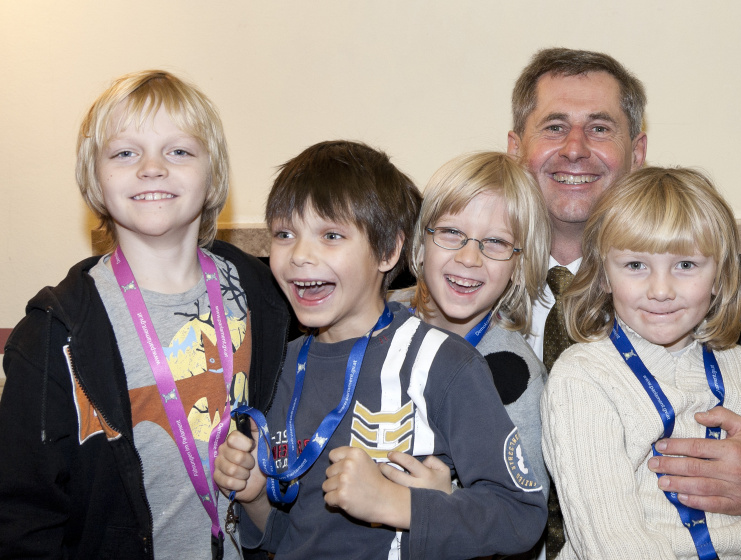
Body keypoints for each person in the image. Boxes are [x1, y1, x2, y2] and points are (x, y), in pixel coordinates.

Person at [506, 48, 741, 556]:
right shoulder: (462, 288)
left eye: (600, 128)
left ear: (637, 151)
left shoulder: (731, 303)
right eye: (554, 127)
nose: (575, 148)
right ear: (516, 148)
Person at [0, 70, 290, 559]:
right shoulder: (54, 333)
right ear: (94, 178)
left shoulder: (265, 294)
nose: (152, 167)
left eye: (179, 151)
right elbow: (22, 519)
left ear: (213, 173)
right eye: (124, 152)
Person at [213, 140, 547, 559]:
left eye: (331, 235)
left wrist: (396, 503)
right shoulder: (280, 367)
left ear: (389, 250)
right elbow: (296, 535)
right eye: (284, 234)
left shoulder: (447, 364)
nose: (300, 255)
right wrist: (255, 497)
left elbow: (520, 515)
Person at [541, 166, 741, 558]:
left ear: (719, 275)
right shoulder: (582, 378)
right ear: (602, 275)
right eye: (636, 265)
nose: (661, 290)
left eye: (685, 265)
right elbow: (611, 547)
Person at [387, 151, 551, 503]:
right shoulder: (376, 317)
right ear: (420, 243)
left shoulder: (515, 378)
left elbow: (522, 511)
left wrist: (447, 502)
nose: (469, 258)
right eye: (450, 232)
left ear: (519, 266)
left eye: (495, 242)